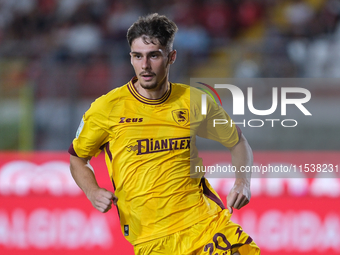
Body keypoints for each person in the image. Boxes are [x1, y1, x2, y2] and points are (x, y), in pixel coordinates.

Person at [69, 13, 260, 255]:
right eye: (137, 56)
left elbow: (238, 142)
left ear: (171, 57)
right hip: (151, 239)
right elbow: (77, 158)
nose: (145, 65)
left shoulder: (193, 101)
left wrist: (243, 182)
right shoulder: (106, 108)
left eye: (154, 56)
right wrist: (92, 191)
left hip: (204, 224)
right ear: (131, 58)